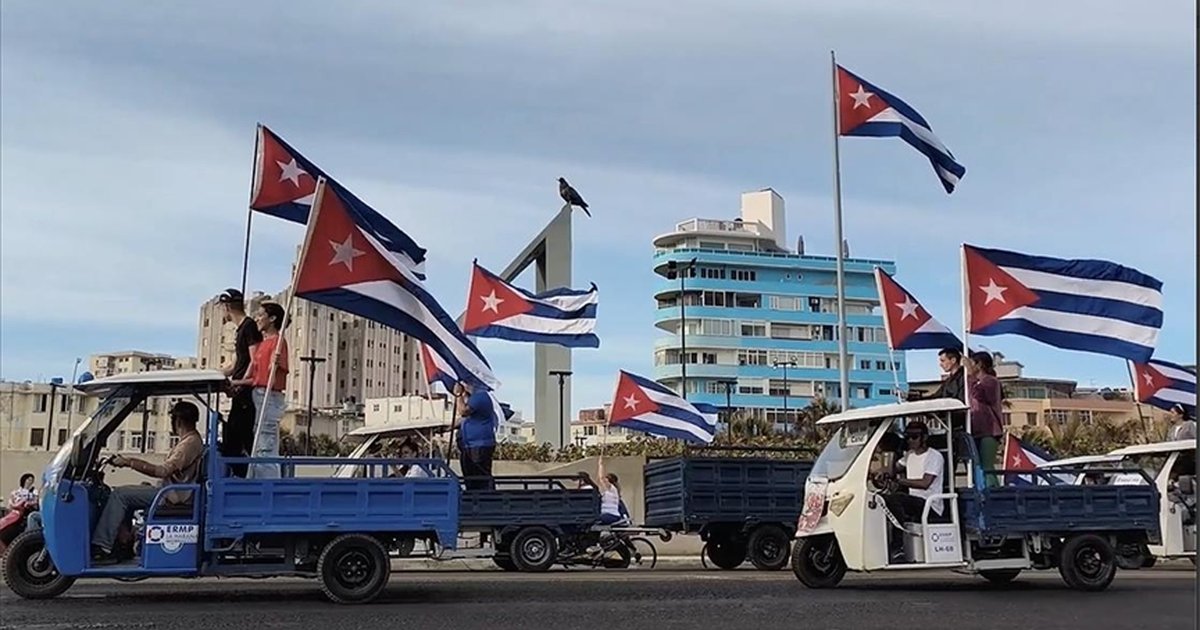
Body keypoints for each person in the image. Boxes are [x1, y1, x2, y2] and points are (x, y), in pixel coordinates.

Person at [92, 401, 204, 563]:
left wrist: (129, 462)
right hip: (171, 491)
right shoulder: (189, 441)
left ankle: (101, 547)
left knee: (119, 495)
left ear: (178, 421)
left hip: (172, 496)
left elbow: (163, 471)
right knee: (133, 492)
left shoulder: (189, 444)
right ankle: (123, 543)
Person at [231, 302, 288, 479]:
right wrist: (235, 383)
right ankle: (258, 480)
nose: (257, 318)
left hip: (269, 397)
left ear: (272, 319)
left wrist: (274, 364)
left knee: (265, 445)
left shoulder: (278, 342)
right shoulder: (263, 344)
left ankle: (269, 485)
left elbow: (271, 375)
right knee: (257, 443)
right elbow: (255, 377)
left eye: (261, 315)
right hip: (258, 394)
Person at [878, 419, 944, 562]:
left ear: (924, 437)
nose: (910, 440)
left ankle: (898, 546)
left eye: (914, 437)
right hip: (915, 502)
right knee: (881, 499)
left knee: (896, 499)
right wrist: (883, 469)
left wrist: (899, 481)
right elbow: (894, 468)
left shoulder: (934, 456)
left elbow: (925, 483)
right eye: (907, 437)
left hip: (930, 505)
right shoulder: (909, 455)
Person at [218, 289, 262, 478]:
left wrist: (240, 382)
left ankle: (246, 478)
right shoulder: (240, 329)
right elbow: (235, 364)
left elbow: (254, 359)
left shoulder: (249, 326)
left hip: (245, 394)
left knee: (239, 441)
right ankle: (241, 476)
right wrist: (217, 374)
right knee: (230, 442)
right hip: (238, 392)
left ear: (227, 307)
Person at [967, 351, 1005, 487]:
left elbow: (978, 394)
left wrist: (970, 376)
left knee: (986, 465)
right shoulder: (977, 382)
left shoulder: (991, 381)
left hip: (990, 430)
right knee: (978, 466)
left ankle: (994, 492)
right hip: (977, 429)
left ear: (979, 364)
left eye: (972, 363)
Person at [452, 381, 498, 491]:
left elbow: (463, 411)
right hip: (469, 445)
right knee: (470, 478)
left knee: (479, 478)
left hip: (479, 444)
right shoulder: (474, 399)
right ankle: (474, 496)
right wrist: (448, 427)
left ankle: (485, 498)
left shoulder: (480, 396)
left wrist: (458, 395)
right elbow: (465, 419)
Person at [596, 458, 628, 526]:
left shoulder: (611, 488)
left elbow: (601, 478)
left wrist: (600, 465)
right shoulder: (613, 490)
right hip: (611, 515)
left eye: (606, 479)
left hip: (610, 515)